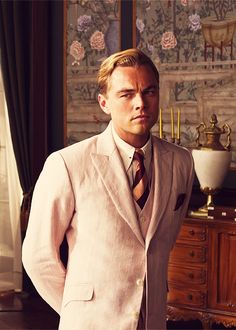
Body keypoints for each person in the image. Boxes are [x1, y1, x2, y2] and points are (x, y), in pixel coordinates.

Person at [22, 48, 194, 330]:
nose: (140, 103)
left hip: (151, 321)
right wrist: (78, 311)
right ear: (104, 103)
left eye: (149, 92)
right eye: (126, 94)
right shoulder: (68, 164)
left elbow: (162, 243)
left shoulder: (181, 161)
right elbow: (37, 256)